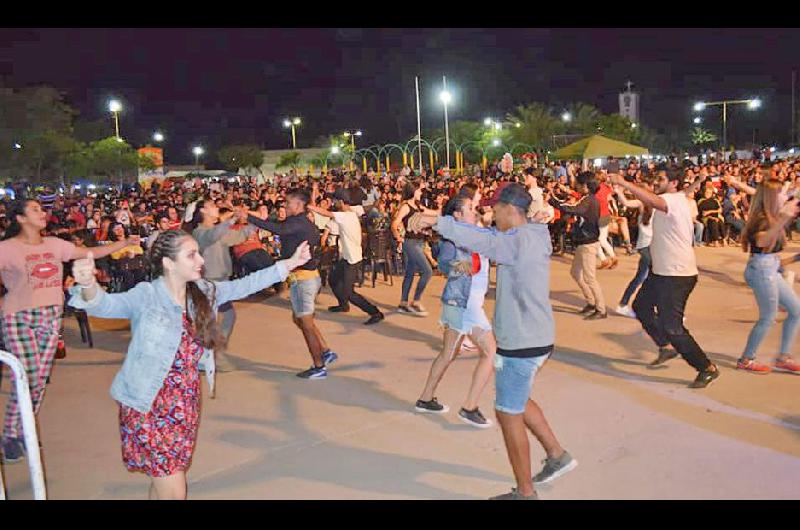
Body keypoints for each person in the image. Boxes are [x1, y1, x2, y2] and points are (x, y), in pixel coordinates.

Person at [69, 230, 310, 499]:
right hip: (147, 402)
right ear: (168, 263)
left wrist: (291, 262)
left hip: (184, 402)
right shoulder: (147, 295)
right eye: (191, 255)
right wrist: (88, 284)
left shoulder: (204, 292)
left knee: (164, 476)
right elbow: (106, 305)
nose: (200, 261)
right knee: (173, 486)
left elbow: (245, 285)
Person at [418, 183, 577, 500]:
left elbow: (485, 242)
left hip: (523, 341)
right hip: (532, 337)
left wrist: (437, 221)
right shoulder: (532, 233)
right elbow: (470, 254)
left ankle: (526, 492)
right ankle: (557, 456)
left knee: (507, 412)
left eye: (495, 209)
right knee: (519, 399)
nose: (491, 214)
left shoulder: (516, 240)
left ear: (510, 210)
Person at [0, 199, 141, 463]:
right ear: (20, 218)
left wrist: (122, 243)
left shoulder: (55, 245)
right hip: (18, 317)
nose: (42, 213)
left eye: (42, 209)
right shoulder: (7, 249)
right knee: (28, 376)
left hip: (51, 315)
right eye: (35, 210)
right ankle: (12, 434)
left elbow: (89, 252)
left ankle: (21, 432)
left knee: (38, 380)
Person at [609, 168, 721, 388]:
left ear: (673, 183)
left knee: (673, 326)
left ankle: (706, 367)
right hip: (661, 272)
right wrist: (697, 181)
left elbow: (655, 200)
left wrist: (624, 183)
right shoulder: (678, 196)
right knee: (641, 307)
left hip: (678, 275)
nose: (656, 182)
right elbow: (682, 190)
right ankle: (666, 347)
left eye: (661, 179)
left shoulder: (671, 201)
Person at [415, 194, 497, 428]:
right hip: (464, 302)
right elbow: (445, 265)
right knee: (491, 352)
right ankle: (469, 407)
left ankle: (425, 398)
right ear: (457, 215)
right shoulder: (452, 241)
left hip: (459, 303)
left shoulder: (474, 231)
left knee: (447, 353)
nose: (475, 210)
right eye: (470, 208)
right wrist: (469, 265)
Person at [247, 188, 339, 379]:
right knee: (300, 319)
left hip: (304, 280)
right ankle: (325, 350)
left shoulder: (298, 222)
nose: (285, 206)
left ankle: (319, 366)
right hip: (304, 278)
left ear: (298, 205)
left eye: (288, 203)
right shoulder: (300, 222)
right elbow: (280, 225)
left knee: (305, 322)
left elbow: (278, 229)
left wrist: (249, 217)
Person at [737, 180, 800, 373]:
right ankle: (746, 359)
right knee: (768, 317)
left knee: (796, 310)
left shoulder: (773, 215)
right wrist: (784, 218)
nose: (783, 195)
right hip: (762, 270)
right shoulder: (761, 218)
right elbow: (762, 241)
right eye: (779, 192)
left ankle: (783, 357)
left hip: (769, 267)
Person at [192, 200, 258, 372]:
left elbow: (238, 236)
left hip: (221, 281)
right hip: (209, 282)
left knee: (224, 317)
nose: (216, 208)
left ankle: (213, 355)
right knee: (213, 320)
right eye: (212, 206)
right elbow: (213, 235)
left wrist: (254, 222)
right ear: (203, 211)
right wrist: (231, 219)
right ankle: (210, 356)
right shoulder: (199, 232)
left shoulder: (218, 230)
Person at [308, 188, 384, 325]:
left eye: (336, 201)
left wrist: (307, 205)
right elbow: (366, 207)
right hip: (347, 258)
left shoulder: (345, 216)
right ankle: (343, 305)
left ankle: (375, 313)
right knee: (333, 279)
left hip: (353, 260)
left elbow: (325, 213)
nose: (334, 202)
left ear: (342, 202)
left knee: (349, 292)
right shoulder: (352, 212)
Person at [549, 172, 607, 319]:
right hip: (584, 242)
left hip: (588, 243)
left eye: (580, 184)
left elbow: (572, 209)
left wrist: (553, 201)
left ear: (586, 186)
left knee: (590, 278)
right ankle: (591, 302)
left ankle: (601, 309)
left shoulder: (589, 201)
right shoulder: (588, 199)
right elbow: (572, 208)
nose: (578, 186)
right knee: (576, 273)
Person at [391, 182, 435, 316]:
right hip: (410, 243)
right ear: (413, 191)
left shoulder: (417, 204)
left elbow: (430, 213)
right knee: (427, 271)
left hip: (419, 242)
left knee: (410, 272)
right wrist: (398, 237)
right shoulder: (405, 206)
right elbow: (394, 223)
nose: (421, 192)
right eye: (419, 190)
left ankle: (403, 303)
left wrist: (444, 212)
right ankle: (415, 301)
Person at [613, 180, 655, 318]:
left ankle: (624, 304)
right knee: (657, 278)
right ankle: (663, 310)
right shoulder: (641, 203)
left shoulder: (656, 203)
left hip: (652, 246)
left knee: (641, 277)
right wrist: (619, 191)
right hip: (646, 246)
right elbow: (626, 203)